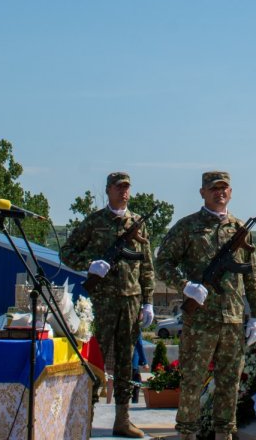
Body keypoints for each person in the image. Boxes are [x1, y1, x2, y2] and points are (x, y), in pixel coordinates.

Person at [156, 171, 256, 440]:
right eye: (214, 189)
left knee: (229, 384)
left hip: (232, 320)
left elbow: (252, 274)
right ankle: (187, 434)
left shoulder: (240, 229)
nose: (220, 193)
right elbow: (163, 263)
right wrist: (185, 285)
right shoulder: (188, 226)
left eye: (224, 188)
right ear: (203, 192)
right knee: (193, 382)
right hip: (200, 321)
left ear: (231, 192)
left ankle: (224, 434)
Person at [61, 171, 156, 438]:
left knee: (127, 360)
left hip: (131, 301)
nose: (123, 192)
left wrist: (148, 301)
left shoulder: (137, 223)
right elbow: (67, 252)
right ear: (108, 190)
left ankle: (123, 419)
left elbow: (146, 264)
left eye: (126, 187)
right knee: (95, 359)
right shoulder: (95, 222)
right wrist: (89, 264)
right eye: (118, 187)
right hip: (102, 303)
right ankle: (86, 415)